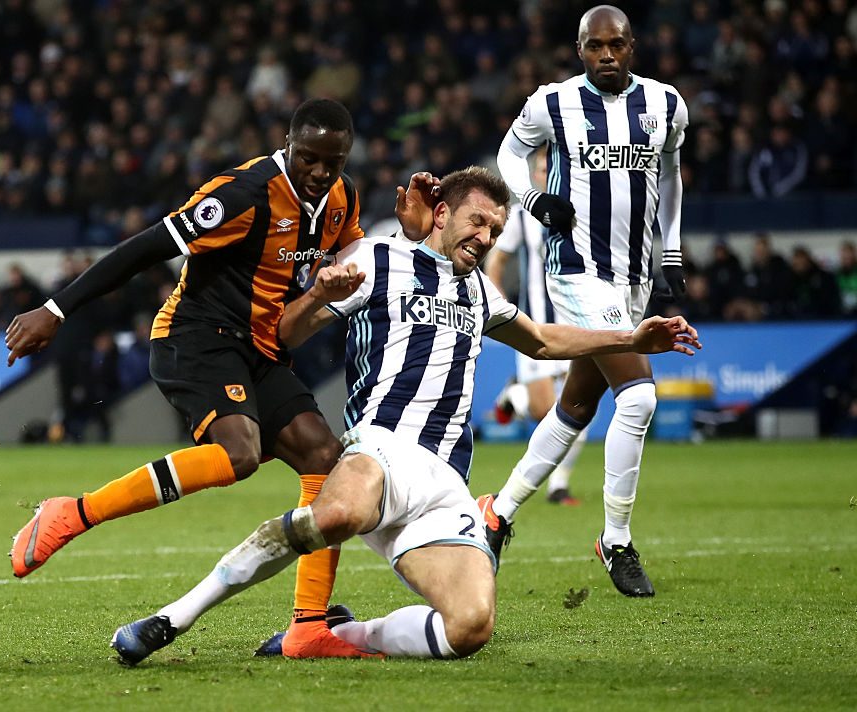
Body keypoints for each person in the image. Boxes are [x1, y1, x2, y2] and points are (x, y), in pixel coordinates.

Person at [107, 166, 700, 665]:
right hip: (380, 447)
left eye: (495, 229)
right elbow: (285, 333)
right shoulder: (379, 260)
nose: (486, 236)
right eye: (477, 221)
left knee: (470, 628)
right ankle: (173, 617)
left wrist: (631, 338)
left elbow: (542, 341)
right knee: (338, 511)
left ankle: (335, 634)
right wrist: (319, 295)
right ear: (441, 214)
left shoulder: (482, 295)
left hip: (445, 483)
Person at [3, 99, 439, 658]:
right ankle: (72, 513)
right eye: (308, 158)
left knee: (323, 456)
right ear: (288, 145)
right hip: (194, 336)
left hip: (259, 347)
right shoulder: (242, 193)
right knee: (239, 455)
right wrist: (55, 311)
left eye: (333, 161)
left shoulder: (342, 198)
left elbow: (356, 259)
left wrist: (410, 242)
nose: (319, 172)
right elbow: (144, 248)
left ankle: (308, 628)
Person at [481, 4, 690, 598]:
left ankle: (497, 513)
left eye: (616, 45)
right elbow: (508, 155)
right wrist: (535, 201)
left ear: (632, 47)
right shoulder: (553, 102)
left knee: (575, 406)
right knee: (641, 396)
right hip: (575, 271)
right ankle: (616, 539)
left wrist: (669, 256)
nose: (606, 54)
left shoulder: (666, 105)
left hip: (632, 276)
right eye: (594, 45)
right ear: (579, 50)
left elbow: (672, 178)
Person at [485, 151, 585, 506]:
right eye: (541, 169)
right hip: (536, 326)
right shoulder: (524, 216)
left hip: (575, 322)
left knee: (579, 406)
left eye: (551, 168)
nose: (547, 174)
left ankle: (558, 486)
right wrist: (503, 310)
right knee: (548, 413)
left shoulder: (580, 208)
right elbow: (496, 262)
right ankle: (517, 397)